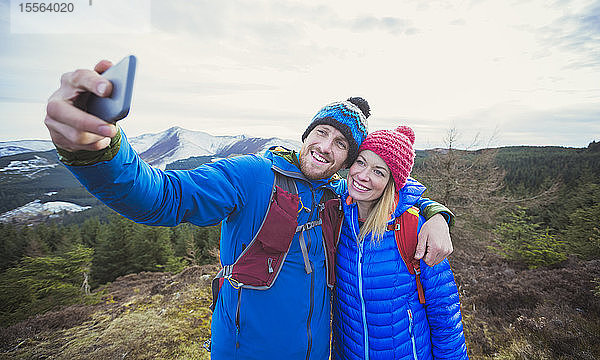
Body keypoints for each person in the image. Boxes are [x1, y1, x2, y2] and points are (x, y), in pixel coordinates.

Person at [44, 60, 455, 360]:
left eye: (341, 144)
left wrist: (436, 212)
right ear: (307, 134)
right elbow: (164, 198)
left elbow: (394, 186)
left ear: (346, 160)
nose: (326, 147)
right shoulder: (254, 176)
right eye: (322, 132)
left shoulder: (336, 195)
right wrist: (99, 153)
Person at [332, 126, 468, 360]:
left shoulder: (414, 229)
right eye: (361, 162)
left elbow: (445, 314)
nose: (363, 176)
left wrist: (436, 216)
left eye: (379, 172)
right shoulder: (337, 215)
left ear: (391, 183)